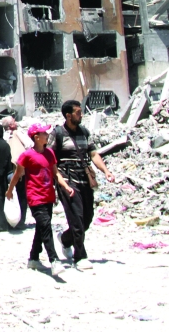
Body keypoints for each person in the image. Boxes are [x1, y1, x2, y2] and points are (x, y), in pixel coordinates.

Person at [51, 100, 116, 271]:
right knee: (76, 218)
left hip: (84, 180)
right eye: (78, 112)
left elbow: (93, 154)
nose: (81, 115)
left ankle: (65, 239)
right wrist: (58, 181)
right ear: (68, 115)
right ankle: (80, 257)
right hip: (67, 180)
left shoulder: (84, 132)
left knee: (87, 218)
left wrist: (106, 171)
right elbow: (51, 160)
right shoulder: (58, 133)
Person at [7, 124, 72, 276]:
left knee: (41, 228)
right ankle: (54, 260)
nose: (47, 135)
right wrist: (9, 191)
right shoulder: (27, 156)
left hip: (49, 196)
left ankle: (33, 258)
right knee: (46, 227)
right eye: (44, 133)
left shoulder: (50, 153)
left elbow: (56, 174)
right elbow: (17, 175)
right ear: (36, 137)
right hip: (35, 197)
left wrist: (66, 187)